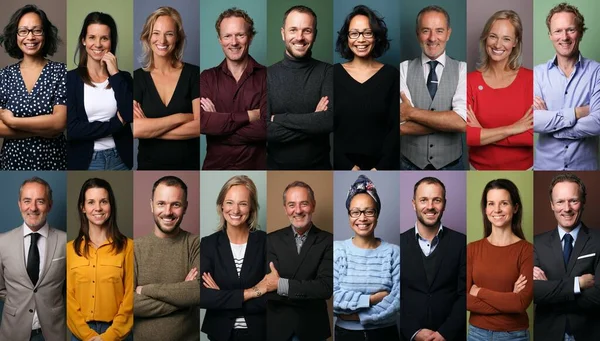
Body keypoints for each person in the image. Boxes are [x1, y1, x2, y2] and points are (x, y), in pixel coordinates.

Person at [533, 173, 600, 341]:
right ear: (552, 205)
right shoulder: (536, 244)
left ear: (583, 202)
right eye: (560, 201)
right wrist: (578, 284)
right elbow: (533, 293)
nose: (567, 208)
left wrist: (550, 290)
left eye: (574, 201)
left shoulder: (599, 240)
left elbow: (598, 296)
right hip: (548, 334)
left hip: (589, 333)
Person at [533, 3, 600, 170]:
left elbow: (597, 122)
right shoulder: (537, 74)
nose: (564, 37)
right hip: (544, 169)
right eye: (557, 31)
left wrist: (553, 126)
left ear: (581, 32)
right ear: (550, 35)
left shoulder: (597, 72)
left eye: (570, 29)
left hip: (586, 169)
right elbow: (532, 121)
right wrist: (578, 112)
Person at [200, 175, 267, 341]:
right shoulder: (208, 244)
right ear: (221, 205)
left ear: (251, 208)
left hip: (259, 334)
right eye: (230, 202)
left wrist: (222, 297)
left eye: (243, 204)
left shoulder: (266, 242)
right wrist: (252, 292)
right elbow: (202, 297)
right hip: (220, 333)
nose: (235, 210)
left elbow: (270, 296)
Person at [333, 175, 400, 340]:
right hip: (346, 335)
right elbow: (333, 299)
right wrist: (372, 299)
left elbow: (397, 300)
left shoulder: (393, 252)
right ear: (349, 215)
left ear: (377, 214)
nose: (362, 218)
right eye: (355, 212)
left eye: (369, 211)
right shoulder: (336, 250)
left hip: (385, 334)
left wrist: (357, 316)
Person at [400, 5, 467, 170]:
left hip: (452, 165)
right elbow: (401, 125)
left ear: (448, 33)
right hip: (409, 164)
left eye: (439, 30)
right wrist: (447, 123)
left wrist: (411, 112)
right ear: (417, 34)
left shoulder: (462, 69)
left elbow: (461, 122)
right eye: (425, 31)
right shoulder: (403, 68)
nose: (432, 38)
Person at [0, 4, 66, 170]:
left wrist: (12, 121)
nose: (30, 37)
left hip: (53, 161)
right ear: (15, 36)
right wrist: (43, 130)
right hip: (12, 163)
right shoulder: (4, 75)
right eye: (23, 31)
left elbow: (59, 123)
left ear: (45, 34)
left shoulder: (61, 72)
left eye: (37, 30)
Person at [133, 176, 200, 341]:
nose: (168, 212)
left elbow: (199, 291)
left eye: (175, 204)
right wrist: (183, 294)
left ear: (185, 207)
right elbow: (129, 304)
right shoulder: (134, 248)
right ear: (151, 205)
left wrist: (146, 290)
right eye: (161, 203)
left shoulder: (196, 244)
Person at [267, 5, 333, 170]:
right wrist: (313, 121)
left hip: (320, 169)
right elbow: (266, 130)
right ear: (283, 33)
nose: (299, 37)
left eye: (307, 31)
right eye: (293, 30)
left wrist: (279, 119)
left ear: (315, 35)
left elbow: (329, 121)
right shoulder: (266, 75)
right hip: (276, 170)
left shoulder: (328, 72)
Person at [0, 177, 67, 341]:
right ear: (19, 204)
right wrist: (19, 300)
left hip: (54, 332)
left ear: (49, 205)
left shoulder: (66, 242)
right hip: (13, 332)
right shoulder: (2, 242)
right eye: (27, 201)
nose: (33, 208)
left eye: (40, 201)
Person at [133, 6, 200, 170]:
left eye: (169, 34)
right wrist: (181, 117)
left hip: (188, 168)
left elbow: (200, 126)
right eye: (156, 33)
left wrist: (152, 130)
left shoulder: (194, 74)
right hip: (148, 168)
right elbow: (137, 129)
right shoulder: (137, 78)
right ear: (147, 37)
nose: (162, 40)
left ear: (177, 38)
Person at [333, 5, 399, 170]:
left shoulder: (391, 75)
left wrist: (381, 168)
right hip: (342, 166)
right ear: (347, 38)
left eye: (367, 33)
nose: (360, 40)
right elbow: (328, 128)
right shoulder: (333, 74)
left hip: (383, 167)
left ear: (376, 37)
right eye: (354, 33)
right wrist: (347, 166)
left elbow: (395, 127)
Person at [265, 181, 333, 340]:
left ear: (313, 206)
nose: (298, 211)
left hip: (312, 328)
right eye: (291, 205)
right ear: (285, 209)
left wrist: (280, 284)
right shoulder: (270, 240)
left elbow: (325, 288)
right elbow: (266, 289)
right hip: (277, 328)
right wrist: (306, 289)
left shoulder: (329, 241)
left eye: (304, 204)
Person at [66, 178, 133, 340]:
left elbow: (130, 297)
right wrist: (87, 335)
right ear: (83, 207)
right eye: (91, 202)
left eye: (103, 201)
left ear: (111, 206)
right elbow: (68, 298)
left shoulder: (129, 247)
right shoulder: (69, 249)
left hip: (118, 333)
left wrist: (109, 336)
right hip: (80, 334)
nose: (98, 208)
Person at [200, 8, 267, 170]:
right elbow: (202, 123)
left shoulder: (267, 76)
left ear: (250, 38)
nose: (234, 42)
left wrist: (219, 127)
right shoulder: (207, 78)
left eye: (240, 35)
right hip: (214, 169)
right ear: (220, 40)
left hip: (256, 169)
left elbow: (267, 128)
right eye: (227, 36)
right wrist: (250, 115)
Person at [466, 10, 533, 170]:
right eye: (493, 36)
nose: (497, 45)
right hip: (478, 169)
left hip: (524, 170)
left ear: (515, 42)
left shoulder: (531, 79)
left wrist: (483, 133)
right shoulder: (470, 81)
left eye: (506, 39)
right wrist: (512, 129)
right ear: (485, 37)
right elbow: (469, 136)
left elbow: (531, 137)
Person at [400, 177, 466, 341]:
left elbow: (465, 294)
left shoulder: (461, 243)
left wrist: (445, 333)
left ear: (444, 204)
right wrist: (413, 332)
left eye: (436, 200)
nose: (430, 206)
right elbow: (393, 295)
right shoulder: (398, 244)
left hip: (451, 337)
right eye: (423, 200)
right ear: (414, 203)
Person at [467, 179, 533, 340]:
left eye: (504, 203)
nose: (496, 209)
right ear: (485, 209)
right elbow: (464, 299)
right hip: (477, 334)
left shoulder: (528, 251)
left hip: (514, 335)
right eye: (491, 203)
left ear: (515, 208)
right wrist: (509, 299)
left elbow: (520, 303)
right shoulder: (472, 249)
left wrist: (479, 292)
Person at [67, 12, 133, 170]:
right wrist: (116, 124)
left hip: (120, 159)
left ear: (111, 42)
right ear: (83, 40)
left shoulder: (123, 78)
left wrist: (115, 74)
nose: (98, 44)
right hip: (86, 161)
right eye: (92, 37)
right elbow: (73, 129)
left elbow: (130, 115)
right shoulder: (70, 79)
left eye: (104, 38)